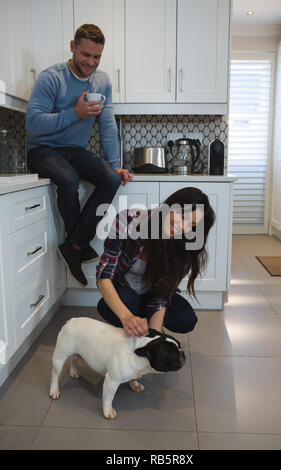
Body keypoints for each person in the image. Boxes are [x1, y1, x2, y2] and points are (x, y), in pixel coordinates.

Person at [26, 24, 133, 287]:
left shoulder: (102, 81)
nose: (91, 62)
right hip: (42, 150)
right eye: (86, 55)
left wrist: (116, 166)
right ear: (73, 47)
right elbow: (33, 124)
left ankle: (74, 244)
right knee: (69, 178)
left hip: (74, 150)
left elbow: (107, 128)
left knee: (110, 179)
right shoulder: (51, 78)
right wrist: (75, 113)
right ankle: (78, 244)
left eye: (97, 57)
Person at [96, 187, 216, 338]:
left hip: (151, 293)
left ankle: (144, 328)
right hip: (125, 292)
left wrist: (155, 339)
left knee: (185, 319)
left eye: (191, 225)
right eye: (182, 216)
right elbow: (104, 275)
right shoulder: (127, 220)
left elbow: (161, 294)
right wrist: (127, 317)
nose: (182, 227)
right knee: (118, 304)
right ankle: (133, 323)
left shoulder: (181, 243)